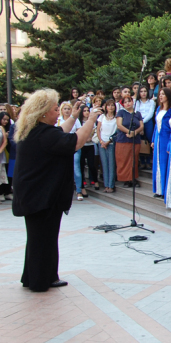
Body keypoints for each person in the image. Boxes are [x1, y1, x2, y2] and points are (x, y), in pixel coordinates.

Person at [13, 91, 100, 291]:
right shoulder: (44, 134)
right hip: (41, 196)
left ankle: (38, 276)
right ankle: (39, 281)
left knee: (41, 238)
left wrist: (74, 117)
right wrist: (92, 119)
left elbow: (61, 131)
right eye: (54, 109)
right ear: (43, 113)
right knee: (42, 239)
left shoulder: (35, 130)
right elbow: (76, 142)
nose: (57, 112)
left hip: (35, 194)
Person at [115, 96, 144, 188]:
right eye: (125, 102)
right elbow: (119, 125)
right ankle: (126, 180)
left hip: (135, 139)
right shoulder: (121, 112)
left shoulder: (137, 113)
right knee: (124, 159)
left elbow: (141, 126)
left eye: (129, 101)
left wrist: (134, 132)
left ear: (132, 102)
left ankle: (133, 178)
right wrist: (129, 132)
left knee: (134, 159)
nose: (128, 103)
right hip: (123, 139)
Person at [57, 102, 84, 200]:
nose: (67, 110)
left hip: (73, 146)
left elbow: (79, 131)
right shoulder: (58, 120)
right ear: (62, 110)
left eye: (69, 108)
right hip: (62, 147)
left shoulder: (75, 120)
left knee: (76, 169)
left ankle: (79, 191)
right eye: (65, 109)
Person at [151, 89, 171, 199]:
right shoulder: (159, 108)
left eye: (163, 94)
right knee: (157, 162)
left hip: (166, 138)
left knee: (165, 163)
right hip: (158, 137)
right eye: (160, 94)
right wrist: (153, 140)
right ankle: (158, 188)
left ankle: (164, 189)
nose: (161, 96)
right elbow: (156, 125)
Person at [97, 100, 118, 194]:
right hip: (102, 142)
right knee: (104, 164)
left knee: (111, 164)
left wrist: (108, 141)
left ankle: (111, 185)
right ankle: (106, 185)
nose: (110, 107)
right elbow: (98, 130)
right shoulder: (102, 117)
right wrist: (101, 141)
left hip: (111, 143)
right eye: (108, 105)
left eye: (112, 105)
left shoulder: (117, 117)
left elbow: (116, 132)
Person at [77, 106, 99, 191]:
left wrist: (91, 137)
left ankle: (95, 180)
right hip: (82, 146)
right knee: (81, 164)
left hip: (90, 145)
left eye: (87, 111)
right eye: (84, 111)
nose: (86, 112)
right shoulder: (79, 122)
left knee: (92, 164)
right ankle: (82, 182)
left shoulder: (92, 122)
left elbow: (94, 131)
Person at [135, 85, 156, 170]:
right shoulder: (137, 102)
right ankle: (142, 162)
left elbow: (151, 113)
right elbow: (136, 113)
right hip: (138, 122)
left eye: (145, 91)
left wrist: (142, 123)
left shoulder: (151, 102)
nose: (143, 93)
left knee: (148, 141)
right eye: (141, 91)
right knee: (140, 141)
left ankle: (148, 162)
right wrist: (140, 124)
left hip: (148, 122)